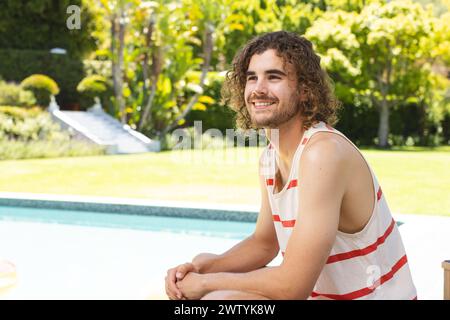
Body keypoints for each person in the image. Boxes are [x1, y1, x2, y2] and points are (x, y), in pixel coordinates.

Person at [165, 31, 417, 300]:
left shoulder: (323, 153)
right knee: (202, 264)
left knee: (219, 300)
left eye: (274, 77)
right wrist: (200, 269)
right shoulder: (270, 158)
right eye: (252, 77)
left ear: (305, 89)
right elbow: (264, 244)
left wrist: (207, 284)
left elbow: (293, 287)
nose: (258, 88)